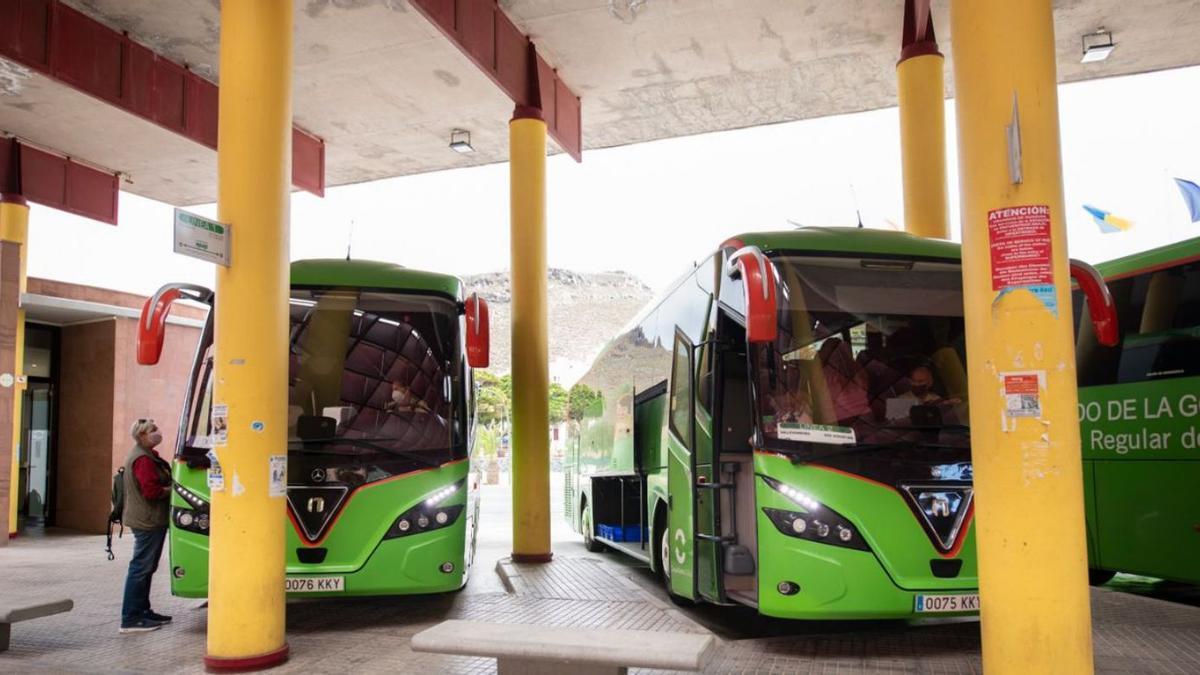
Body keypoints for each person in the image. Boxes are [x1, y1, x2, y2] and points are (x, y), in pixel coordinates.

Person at [120, 419, 173, 634]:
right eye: (152, 430)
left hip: (149, 519)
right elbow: (151, 492)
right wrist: (172, 490)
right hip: (147, 520)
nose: (157, 432)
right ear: (141, 435)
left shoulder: (147, 455)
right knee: (141, 568)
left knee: (146, 567)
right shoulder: (143, 460)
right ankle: (131, 618)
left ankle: (143, 610)